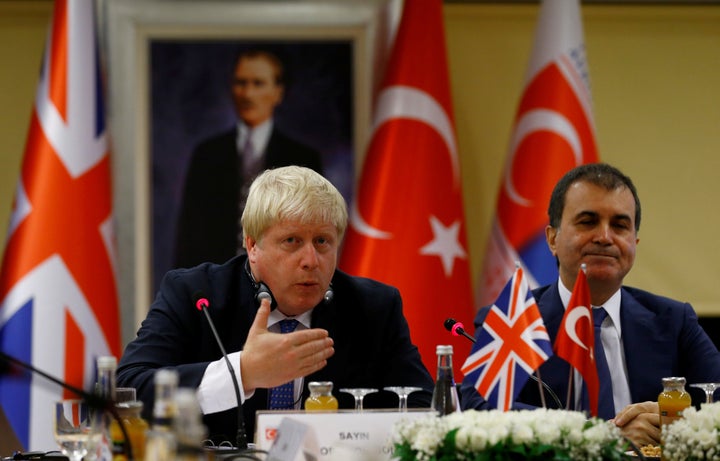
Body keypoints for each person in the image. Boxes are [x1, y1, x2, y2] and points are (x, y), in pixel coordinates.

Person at [119, 166, 433, 445]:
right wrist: (242, 372)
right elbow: (127, 390)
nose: (311, 261)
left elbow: (423, 406)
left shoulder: (372, 307)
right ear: (252, 245)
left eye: (322, 242)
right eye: (292, 241)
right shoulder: (195, 295)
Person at [461, 162, 720, 447]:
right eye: (588, 222)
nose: (605, 237)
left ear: (634, 241)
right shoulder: (516, 319)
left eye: (620, 226)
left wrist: (677, 419)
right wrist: (600, 435)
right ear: (552, 239)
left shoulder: (674, 321)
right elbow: (478, 409)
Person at [174, 48, 324, 268]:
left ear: (278, 92)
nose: (248, 94)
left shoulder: (303, 159)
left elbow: (315, 237)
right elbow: (188, 236)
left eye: (258, 83)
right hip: (216, 289)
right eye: (241, 83)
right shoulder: (206, 155)